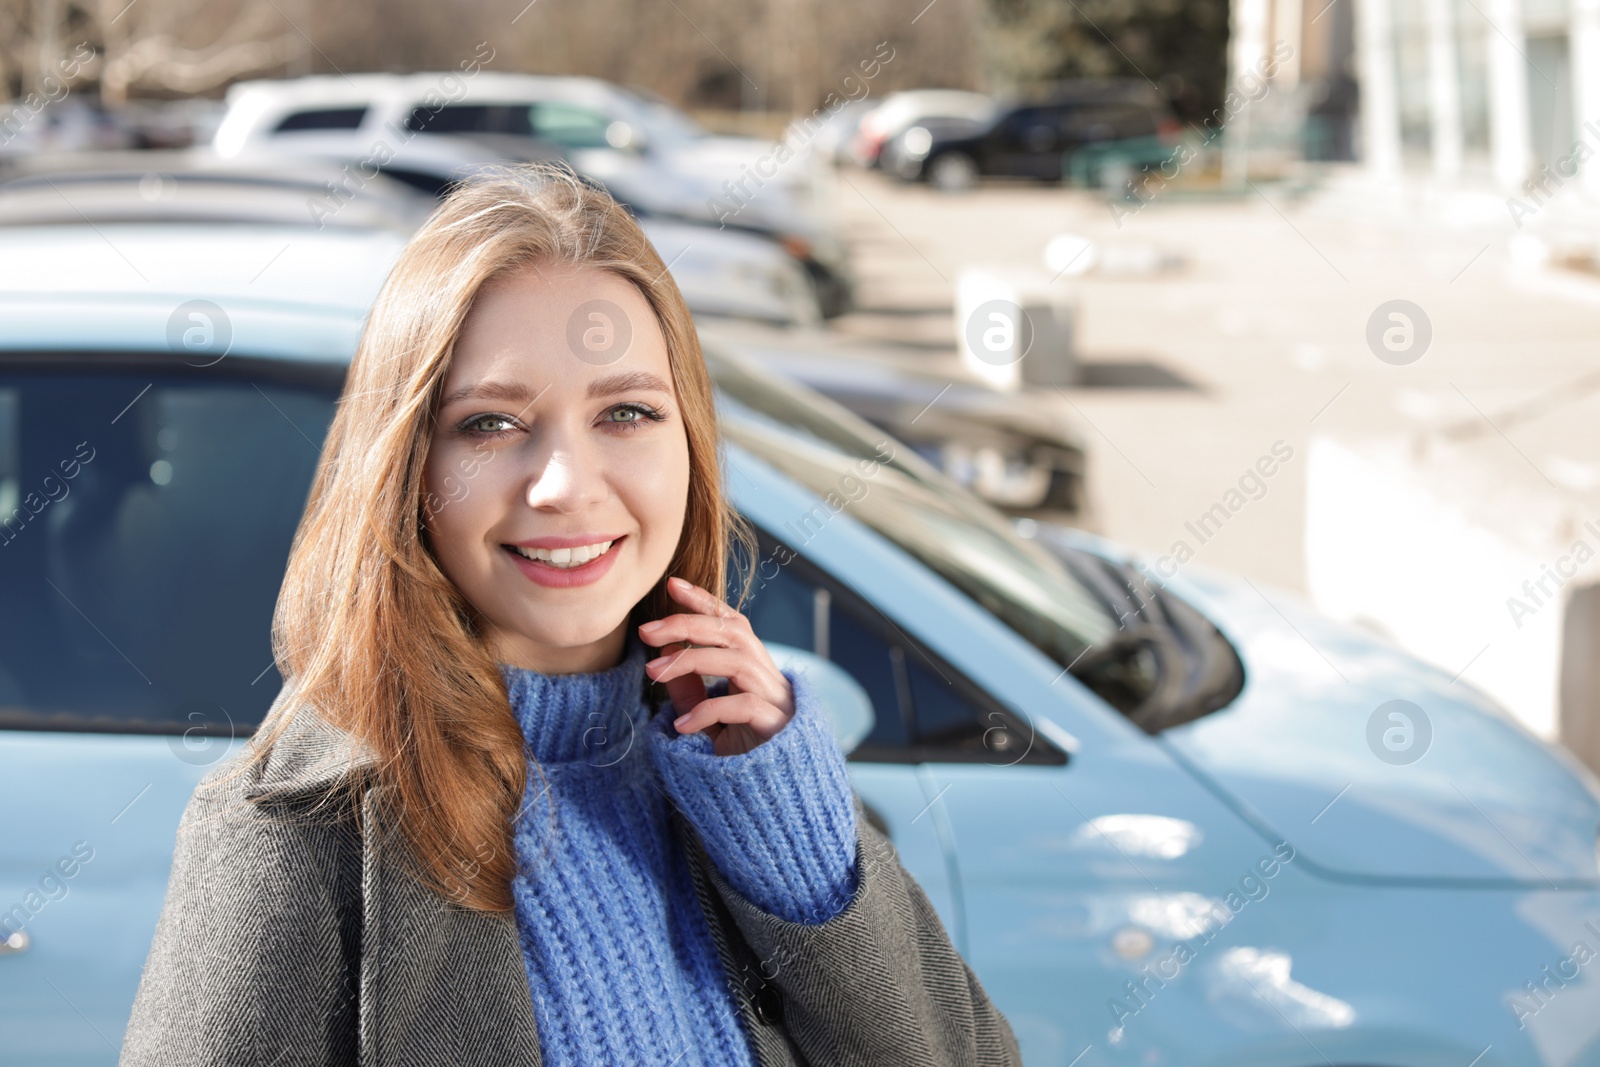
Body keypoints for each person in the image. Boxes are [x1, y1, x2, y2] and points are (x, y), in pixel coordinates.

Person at [119, 162, 1024, 1067]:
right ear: (407, 468)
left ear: (690, 443)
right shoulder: (294, 832)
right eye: (491, 424)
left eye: (625, 412)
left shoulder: (753, 779)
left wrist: (802, 850)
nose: (564, 486)